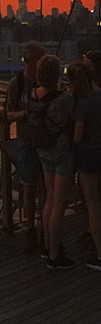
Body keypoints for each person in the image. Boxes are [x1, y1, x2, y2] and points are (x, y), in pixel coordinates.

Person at [2, 41, 46, 254]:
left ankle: (46, 228)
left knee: (47, 189)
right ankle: (31, 229)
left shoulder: (48, 81)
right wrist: (27, 114)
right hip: (28, 144)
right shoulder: (16, 83)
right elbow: (8, 115)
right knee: (30, 189)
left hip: (48, 145)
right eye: (41, 59)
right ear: (31, 61)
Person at [32, 55, 75, 268]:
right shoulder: (65, 98)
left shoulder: (33, 94)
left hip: (43, 152)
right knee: (59, 204)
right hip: (62, 154)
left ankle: (47, 245)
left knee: (49, 199)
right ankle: (55, 255)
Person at [71, 60, 101, 271]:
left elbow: (77, 137)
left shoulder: (81, 104)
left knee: (93, 204)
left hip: (89, 158)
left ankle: (99, 254)